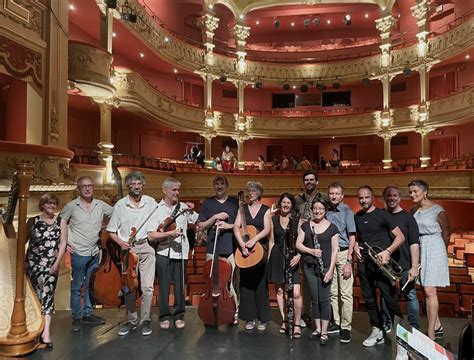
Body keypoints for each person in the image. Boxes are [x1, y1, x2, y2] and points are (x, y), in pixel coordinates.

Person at [107, 171, 157, 337]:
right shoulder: (120, 205)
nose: (136, 186)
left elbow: (163, 212)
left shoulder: (151, 202)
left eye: (139, 183)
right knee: (129, 288)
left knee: (147, 288)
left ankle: (145, 321)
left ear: (143, 185)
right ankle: (130, 320)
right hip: (129, 249)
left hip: (147, 246)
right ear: (128, 186)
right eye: (133, 184)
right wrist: (121, 242)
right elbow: (111, 231)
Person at [354, 185, 405, 347]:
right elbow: (355, 237)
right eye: (361, 198)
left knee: (390, 300)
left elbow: (400, 237)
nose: (363, 200)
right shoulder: (357, 217)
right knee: (369, 299)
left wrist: (388, 251)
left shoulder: (383, 215)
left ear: (372, 197)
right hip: (364, 264)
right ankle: (377, 330)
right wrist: (355, 246)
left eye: (366, 197)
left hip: (382, 264)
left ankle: (402, 339)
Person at [60, 176, 113, 332]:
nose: (88, 188)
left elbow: (117, 213)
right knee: (77, 286)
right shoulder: (71, 206)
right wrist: (64, 244)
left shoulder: (100, 205)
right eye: (84, 186)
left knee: (91, 285)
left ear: (93, 187)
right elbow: (60, 224)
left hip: (94, 252)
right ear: (79, 188)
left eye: (90, 185)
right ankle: (77, 317)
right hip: (78, 252)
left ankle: (88, 314)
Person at [147, 178, 198, 330]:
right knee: (163, 286)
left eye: (178, 190)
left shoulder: (184, 208)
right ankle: (164, 315)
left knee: (180, 286)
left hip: (181, 252)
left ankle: (179, 314)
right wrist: (169, 234)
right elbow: (151, 235)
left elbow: (198, 220)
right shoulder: (156, 209)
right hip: (163, 252)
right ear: (165, 190)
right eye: (174, 190)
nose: (177, 192)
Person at [409, 180, 450, 340]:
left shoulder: (438, 210)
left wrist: (441, 254)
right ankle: (437, 325)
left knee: (429, 291)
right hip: (421, 248)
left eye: (415, 191)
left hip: (435, 248)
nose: (412, 194)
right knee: (424, 291)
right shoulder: (413, 210)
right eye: (410, 192)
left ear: (425, 192)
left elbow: (447, 232)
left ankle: (431, 333)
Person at [26, 193, 68, 348]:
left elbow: (63, 244)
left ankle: (46, 333)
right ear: (42, 205)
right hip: (33, 264)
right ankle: (35, 330)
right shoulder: (33, 221)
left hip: (51, 264)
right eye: (48, 203)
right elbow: (22, 241)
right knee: (35, 298)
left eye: (54, 203)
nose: (51, 206)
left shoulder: (61, 221)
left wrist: (57, 263)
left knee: (48, 297)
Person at [197, 176, 239, 324]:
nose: (219, 186)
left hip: (231, 249)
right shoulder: (208, 203)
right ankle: (211, 312)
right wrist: (215, 217)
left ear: (227, 186)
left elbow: (240, 226)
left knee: (231, 284)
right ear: (213, 186)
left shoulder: (234, 203)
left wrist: (228, 226)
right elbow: (201, 226)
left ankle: (232, 313)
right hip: (212, 249)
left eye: (222, 184)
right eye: (216, 184)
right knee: (212, 284)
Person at [296, 198, 338, 345]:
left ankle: (325, 332)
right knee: (315, 300)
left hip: (325, 268)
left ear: (325, 210)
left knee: (324, 301)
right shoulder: (306, 226)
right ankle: (318, 329)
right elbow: (298, 244)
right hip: (309, 267)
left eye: (321, 208)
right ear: (312, 210)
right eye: (315, 208)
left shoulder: (332, 227)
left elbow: (334, 251)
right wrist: (311, 251)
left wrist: (331, 270)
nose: (318, 211)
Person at [380, 186, 420, 332]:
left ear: (400, 197)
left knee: (410, 296)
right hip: (385, 265)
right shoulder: (380, 215)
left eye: (395, 195)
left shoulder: (408, 217)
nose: (392, 198)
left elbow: (414, 243)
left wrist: (414, 266)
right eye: (389, 195)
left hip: (404, 264)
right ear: (384, 197)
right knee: (385, 296)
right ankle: (386, 323)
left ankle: (414, 327)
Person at [233, 181, 271, 330]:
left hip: (259, 250)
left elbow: (267, 229)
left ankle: (263, 318)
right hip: (245, 250)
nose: (251, 192)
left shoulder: (266, 209)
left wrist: (254, 239)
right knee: (246, 285)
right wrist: (242, 244)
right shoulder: (242, 208)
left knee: (261, 285)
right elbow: (236, 226)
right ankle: (250, 318)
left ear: (259, 192)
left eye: (254, 190)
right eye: (249, 190)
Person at [295, 170, 328, 327]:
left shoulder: (324, 198)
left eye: (311, 179)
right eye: (306, 180)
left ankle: (325, 316)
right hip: (303, 245)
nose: (309, 182)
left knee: (324, 279)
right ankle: (306, 313)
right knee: (306, 281)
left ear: (317, 181)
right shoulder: (297, 200)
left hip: (321, 245)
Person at [267, 193, 302, 338]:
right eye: (283, 202)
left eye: (288, 203)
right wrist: (269, 260)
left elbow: (301, 242)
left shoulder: (297, 220)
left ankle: (297, 323)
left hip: (293, 257)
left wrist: (299, 255)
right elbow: (271, 241)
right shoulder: (273, 219)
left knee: (296, 293)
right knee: (280, 291)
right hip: (277, 256)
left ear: (292, 205)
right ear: (280, 204)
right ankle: (285, 320)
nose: (285, 205)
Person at [326, 182, 356, 343]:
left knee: (345, 294)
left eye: (337, 193)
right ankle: (336, 322)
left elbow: (352, 237)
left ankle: (346, 327)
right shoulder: (326, 211)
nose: (333, 196)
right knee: (332, 292)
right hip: (330, 254)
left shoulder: (347, 212)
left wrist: (349, 261)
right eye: (331, 193)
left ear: (342, 196)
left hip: (344, 253)